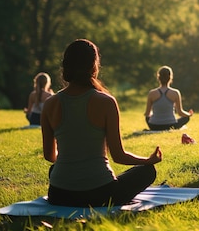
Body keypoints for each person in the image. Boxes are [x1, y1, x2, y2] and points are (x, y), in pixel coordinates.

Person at [41, 39, 162, 207]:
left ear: (66, 66)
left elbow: (49, 156)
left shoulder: (50, 104)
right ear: (94, 66)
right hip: (101, 194)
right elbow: (118, 156)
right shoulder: (106, 102)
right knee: (147, 172)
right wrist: (148, 161)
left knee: (55, 170)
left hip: (59, 195)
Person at [144, 66, 193, 131]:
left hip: (154, 126)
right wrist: (189, 114)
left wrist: (154, 115)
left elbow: (147, 114)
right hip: (170, 125)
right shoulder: (175, 92)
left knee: (147, 118)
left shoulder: (152, 93)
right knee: (186, 118)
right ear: (170, 77)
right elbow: (180, 112)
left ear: (158, 78)